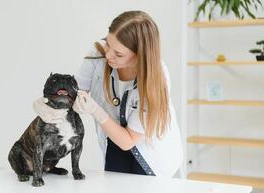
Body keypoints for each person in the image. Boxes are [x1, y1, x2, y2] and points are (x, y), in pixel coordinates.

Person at [33, 10, 183, 177]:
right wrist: (45, 103)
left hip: (152, 154)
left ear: (140, 56)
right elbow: (75, 92)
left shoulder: (156, 79)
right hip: (114, 144)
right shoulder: (98, 53)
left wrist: (96, 111)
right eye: (108, 43)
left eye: (118, 54)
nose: (108, 55)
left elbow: (128, 140)